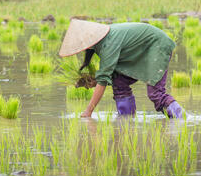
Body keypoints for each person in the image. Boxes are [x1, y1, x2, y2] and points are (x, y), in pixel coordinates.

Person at [59, 19, 187, 119]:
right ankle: (126, 121)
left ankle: (183, 119)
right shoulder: (99, 43)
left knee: (155, 94)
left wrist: (88, 111)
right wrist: (93, 81)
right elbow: (108, 74)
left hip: (157, 45)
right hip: (142, 51)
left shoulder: (108, 42)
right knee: (119, 83)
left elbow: (103, 80)